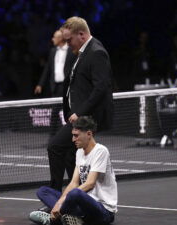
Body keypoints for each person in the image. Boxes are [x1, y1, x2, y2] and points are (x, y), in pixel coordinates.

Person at [46, 16, 113, 196]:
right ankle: (79, 197)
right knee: (70, 155)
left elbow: (101, 88)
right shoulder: (82, 52)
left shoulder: (96, 52)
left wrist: (80, 113)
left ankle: (53, 198)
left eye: (69, 40)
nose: (67, 44)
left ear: (81, 35)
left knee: (55, 146)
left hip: (87, 118)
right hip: (78, 116)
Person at [29, 116, 117, 225]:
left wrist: (61, 203)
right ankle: (73, 218)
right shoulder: (79, 152)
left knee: (75, 193)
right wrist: (59, 203)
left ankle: (53, 219)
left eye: (76, 136)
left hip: (103, 211)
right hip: (84, 208)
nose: (73, 139)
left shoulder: (101, 151)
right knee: (43, 191)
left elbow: (90, 184)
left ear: (89, 134)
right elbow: (74, 182)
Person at [35, 29, 77, 136]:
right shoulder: (53, 51)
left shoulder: (72, 51)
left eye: (54, 37)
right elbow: (47, 69)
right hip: (56, 87)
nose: (52, 39)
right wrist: (40, 84)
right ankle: (52, 138)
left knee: (70, 113)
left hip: (68, 87)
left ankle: (73, 135)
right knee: (54, 113)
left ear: (61, 38)